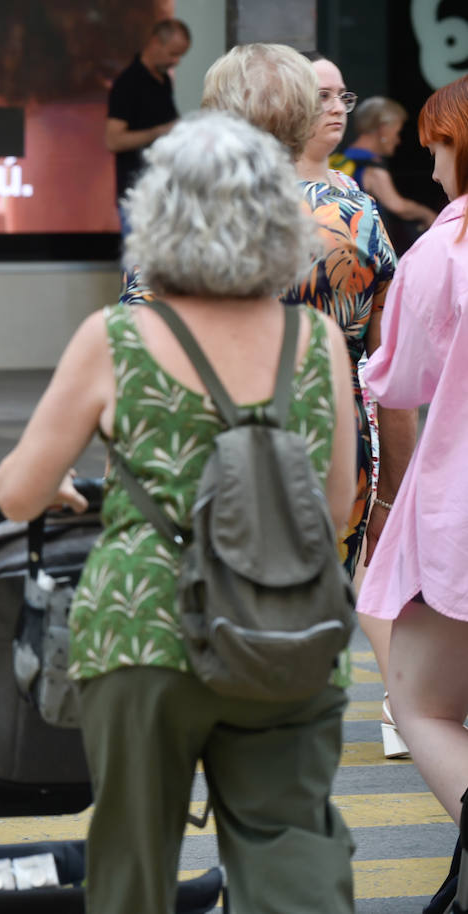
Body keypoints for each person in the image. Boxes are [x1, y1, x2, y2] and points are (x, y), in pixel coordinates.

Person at [0, 110, 357, 912]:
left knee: (134, 859)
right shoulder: (316, 339)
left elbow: (17, 493)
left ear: (156, 215)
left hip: (144, 635)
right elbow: (336, 507)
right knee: (293, 847)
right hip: (289, 632)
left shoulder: (115, 336)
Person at [199, 45, 419, 761]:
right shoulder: (358, 213)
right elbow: (389, 368)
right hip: (337, 444)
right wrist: (390, 489)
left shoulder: (199, 210)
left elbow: (142, 348)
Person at [357, 74, 468, 828]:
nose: (431, 170)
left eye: (440, 150)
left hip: (461, 508)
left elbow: (400, 378)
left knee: (420, 703)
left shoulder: (448, 245)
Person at [105, 18, 190, 233]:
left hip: (163, 189)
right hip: (136, 193)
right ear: (155, 43)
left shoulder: (163, 80)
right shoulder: (127, 83)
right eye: (173, 53)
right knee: (136, 264)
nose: (177, 61)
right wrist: (160, 131)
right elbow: (113, 140)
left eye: (180, 55)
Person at [331, 96, 441, 251]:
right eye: (397, 132)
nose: (398, 140)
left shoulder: (342, 158)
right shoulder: (371, 165)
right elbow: (398, 206)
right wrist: (428, 216)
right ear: (383, 128)